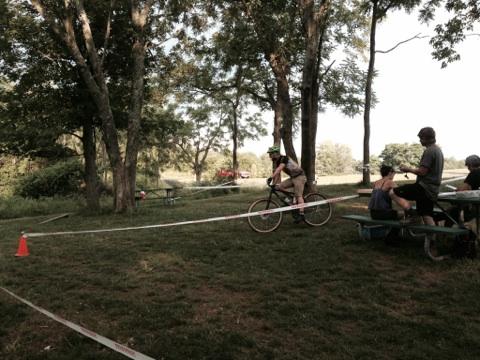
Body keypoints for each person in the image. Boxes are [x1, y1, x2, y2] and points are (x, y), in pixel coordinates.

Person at [389, 127, 444, 226]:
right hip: (432, 190)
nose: (420, 140)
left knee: (393, 192)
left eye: (421, 138)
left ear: (426, 138)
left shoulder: (429, 151)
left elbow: (422, 172)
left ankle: (413, 215)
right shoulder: (438, 150)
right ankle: (431, 240)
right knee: (427, 215)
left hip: (424, 188)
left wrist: (408, 169)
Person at [267, 145, 307, 223]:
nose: (270, 156)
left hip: (300, 177)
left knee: (299, 195)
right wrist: (274, 184)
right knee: (279, 187)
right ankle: (292, 200)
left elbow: (279, 170)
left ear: (275, 153)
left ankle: (301, 214)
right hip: (293, 177)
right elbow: (278, 174)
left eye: (270, 154)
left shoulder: (284, 158)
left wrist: (270, 177)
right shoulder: (278, 161)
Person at [440, 154, 480, 226]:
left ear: (470, 165)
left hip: (475, 207)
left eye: (468, 166)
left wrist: (457, 190)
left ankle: (446, 235)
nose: (468, 168)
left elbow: (462, 190)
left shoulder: (474, 173)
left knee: (452, 212)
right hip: (476, 204)